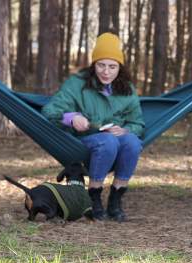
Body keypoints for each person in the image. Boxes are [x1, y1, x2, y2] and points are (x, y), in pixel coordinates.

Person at [42, 32, 144, 222]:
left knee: (132, 142)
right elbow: (50, 111)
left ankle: (116, 199)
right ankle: (94, 196)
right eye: (101, 65)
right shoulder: (77, 84)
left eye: (112, 67)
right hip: (83, 142)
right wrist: (72, 118)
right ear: (93, 64)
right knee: (108, 141)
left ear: (119, 67)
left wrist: (126, 130)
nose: (106, 72)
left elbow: (138, 123)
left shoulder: (127, 89)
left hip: (117, 140)